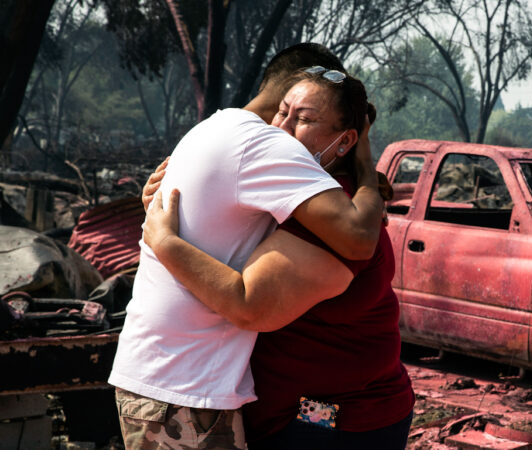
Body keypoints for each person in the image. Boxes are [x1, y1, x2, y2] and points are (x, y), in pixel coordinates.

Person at [109, 44, 385, 449]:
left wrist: (165, 241)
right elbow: (248, 303)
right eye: (286, 112)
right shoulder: (270, 150)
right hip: (192, 390)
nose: (285, 128)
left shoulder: (214, 129)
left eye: (304, 118)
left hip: (335, 414)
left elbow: (249, 299)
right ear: (287, 91)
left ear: (344, 141)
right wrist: (366, 166)